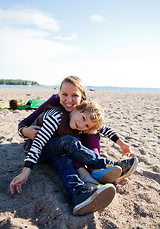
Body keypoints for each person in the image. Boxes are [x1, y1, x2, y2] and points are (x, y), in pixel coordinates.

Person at [11, 76, 138, 215]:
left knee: (65, 161)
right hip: (37, 146)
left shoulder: (81, 115)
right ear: (60, 94)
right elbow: (38, 143)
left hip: (57, 150)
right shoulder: (56, 115)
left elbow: (101, 127)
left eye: (74, 96)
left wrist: (121, 143)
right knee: (69, 141)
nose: (69, 100)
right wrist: (25, 173)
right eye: (64, 94)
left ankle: (78, 195)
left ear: (80, 102)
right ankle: (108, 164)